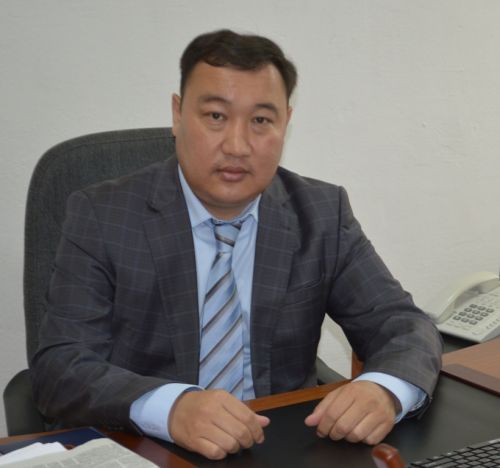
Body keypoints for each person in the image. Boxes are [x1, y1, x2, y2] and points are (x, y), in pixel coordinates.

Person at [31, 29, 442, 461]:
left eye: (260, 121)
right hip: (146, 448)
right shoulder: (102, 214)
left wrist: (385, 389)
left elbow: (403, 324)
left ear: (286, 122)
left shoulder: (321, 214)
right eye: (215, 116)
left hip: (278, 447)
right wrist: (171, 407)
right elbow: (61, 366)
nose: (237, 145)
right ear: (177, 114)